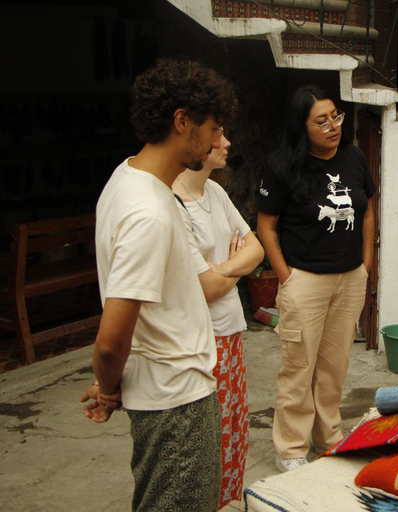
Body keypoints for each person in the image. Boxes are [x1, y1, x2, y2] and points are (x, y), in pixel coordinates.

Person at [79, 58, 237, 511]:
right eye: (212, 127)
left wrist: (111, 384)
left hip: (171, 396)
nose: (216, 140)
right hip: (176, 407)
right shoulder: (147, 211)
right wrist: (108, 384)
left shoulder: (127, 177)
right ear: (181, 122)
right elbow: (111, 341)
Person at [257, 85, 375, 472]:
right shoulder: (282, 166)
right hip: (304, 279)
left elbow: (368, 207)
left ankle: (328, 438)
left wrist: (366, 263)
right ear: (301, 127)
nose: (333, 126)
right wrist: (286, 277)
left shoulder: (354, 158)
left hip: (349, 277)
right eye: (321, 121)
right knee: (298, 367)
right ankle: (290, 449)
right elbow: (267, 226)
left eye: (336, 117)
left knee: (334, 366)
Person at [172, 132, 264, 508]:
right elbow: (204, 288)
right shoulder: (174, 203)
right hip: (200, 338)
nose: (228, 142)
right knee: (204, 441)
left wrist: (224, 268)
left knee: (231, 432)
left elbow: (255, 248)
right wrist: (234, 270)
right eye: (218, 134)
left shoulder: (214, 191)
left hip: (228, 331)